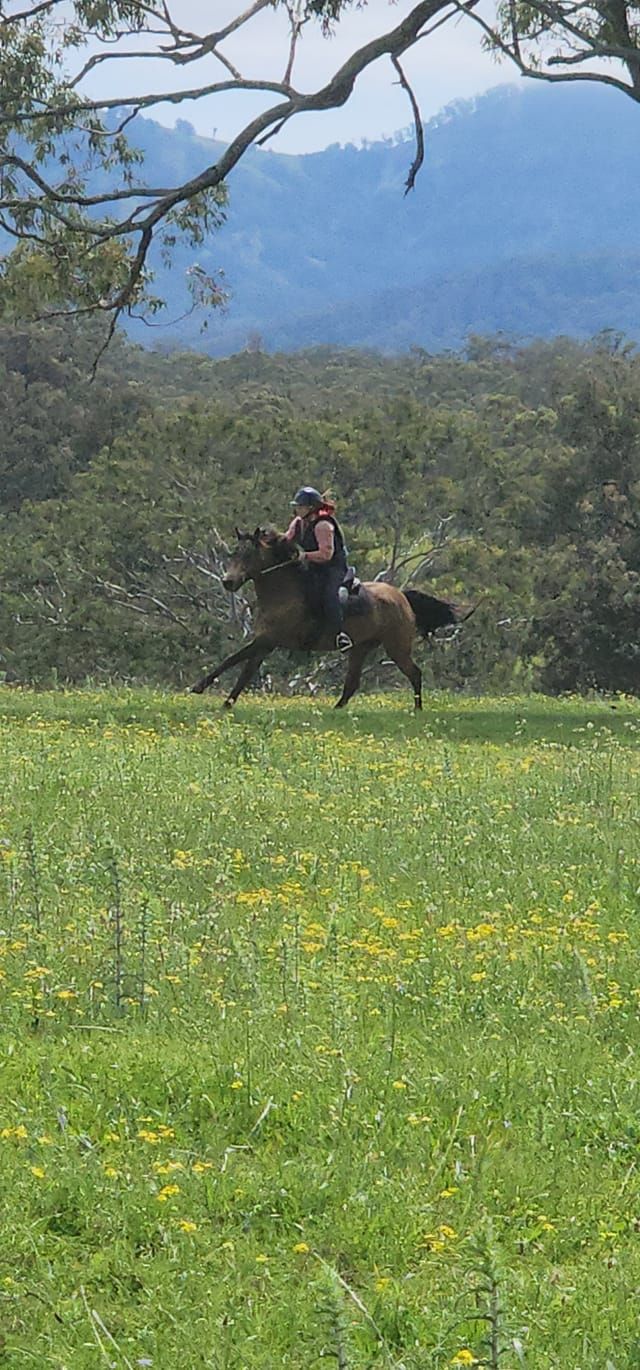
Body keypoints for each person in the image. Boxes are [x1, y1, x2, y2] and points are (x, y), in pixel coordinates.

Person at [285, 486, 353, 652]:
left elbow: (326, 554)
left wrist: (304, 556)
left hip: (333, 568)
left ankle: (339, 635)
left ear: (310, 508)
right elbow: (286, 539)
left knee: (330, 594)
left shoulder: (323, 525)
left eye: (300, 506)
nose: (297, 509)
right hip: (313, 567)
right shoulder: (299, 523)